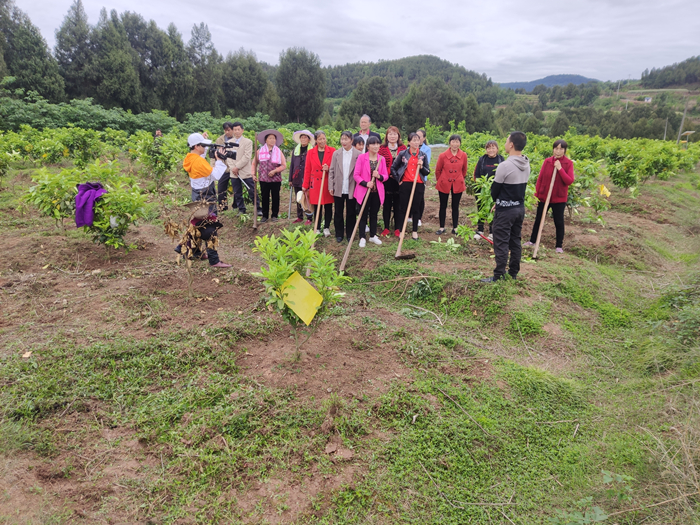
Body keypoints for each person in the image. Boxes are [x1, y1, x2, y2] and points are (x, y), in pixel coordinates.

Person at [176, 132, 232, 268]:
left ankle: (190, 250)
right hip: (206, 196)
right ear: (196, 146)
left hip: (197, 194)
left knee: (197, 224)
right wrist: (219, 160)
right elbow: (216, 175)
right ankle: (214, 260)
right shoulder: (199, 161)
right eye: (204, 145)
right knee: (210, 227)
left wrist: (204, 140)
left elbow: (202, 159)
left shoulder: (190, 158)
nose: (206, 148)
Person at [482, 131, 530, 283]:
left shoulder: (505, 165)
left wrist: (499, 202)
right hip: (519, 208)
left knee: (501, 242)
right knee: (515, 240)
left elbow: (495, 190)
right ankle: (513, 273)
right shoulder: (526, 163)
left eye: (506, 140)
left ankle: (498, 275)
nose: (504, 143)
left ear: (511, 145)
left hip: (506, 210)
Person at [524, 139, 575, 253]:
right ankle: (532, 241)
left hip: (558, 198)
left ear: (564, 150)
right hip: (544, 197)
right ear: (553, 149)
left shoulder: (568, 163)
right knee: (539, 219)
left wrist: (560, 168)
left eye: (561, 149)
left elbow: (569, 181)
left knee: (559, 221)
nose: (558, 151)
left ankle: (558, 246)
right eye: (556, 148)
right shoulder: (547, 161)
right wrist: (536, 195)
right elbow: (540, 179)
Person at [392, 132, 430, 240]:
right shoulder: (403, 154)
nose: (416, 142)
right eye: (413, 140)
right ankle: (401, 230)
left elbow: (427, 172)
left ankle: (414, 231)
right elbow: (393, 168)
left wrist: (421, 166)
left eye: (417, 140)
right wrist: (398, 179)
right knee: (403, 208)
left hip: (418, 184)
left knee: (416, 208)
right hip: (406, 184)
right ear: (409, 142)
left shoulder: (423, 155)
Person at [215, 121, 259, 216]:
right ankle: (241, 209)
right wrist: (233, 168)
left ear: (242, 130)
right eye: (235, 130)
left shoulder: (248, 142)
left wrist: (237, 167)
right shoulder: (229, 143)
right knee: (237, 192)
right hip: (233, 172)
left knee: (251, 189)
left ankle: (258, 208)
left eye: (238, 129)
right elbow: (228, 157)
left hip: (245, 171)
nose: (237, 131)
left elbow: (246, 157)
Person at [354, 136, 388, 247]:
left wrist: (379, 176)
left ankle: (373, 235)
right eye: (373, 144)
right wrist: (366, 183)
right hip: (364, 191)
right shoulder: (362, 158)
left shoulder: (381, 159)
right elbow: (356, 175)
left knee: (374, 214)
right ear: (368, 146)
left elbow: (385, 176)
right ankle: (362, 237)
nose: (376, 146)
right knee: (363, 214)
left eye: (378, 144)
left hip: (376, 192)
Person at [328, 131, 360, 243]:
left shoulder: (358, 154)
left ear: (352, 140)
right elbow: (331, 170)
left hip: (352, 187)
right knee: (338, 211)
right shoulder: (336, 154)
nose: (344, 141)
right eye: (342, 139)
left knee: (351, 212)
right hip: (339, 186)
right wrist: (330, 186)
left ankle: (350, 234)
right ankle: (339, 233)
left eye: (346, 139)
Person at [303, 130, 336, 236]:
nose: (323, 141)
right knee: (317, 206)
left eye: (324, 138)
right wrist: (305, 185)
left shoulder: (332, 151)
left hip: (327, 182)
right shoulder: (310, 152)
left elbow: (336, 168)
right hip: (315, 183)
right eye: (320, 139)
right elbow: (307, 169)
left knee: (328, 206)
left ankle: (326, 227)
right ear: (316, 140)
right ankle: (317, 227)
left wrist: (329, 168)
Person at [434, 134, 468, 235]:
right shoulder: (442, 155)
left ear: (460, 143)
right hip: (444, 183)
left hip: (458, 183)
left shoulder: (464, 155)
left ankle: (455, 227)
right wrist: (441, 180)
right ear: (449, 143)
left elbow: (464, 170)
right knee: (443, 205)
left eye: (457, 141)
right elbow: (438, 170)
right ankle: (441, 227)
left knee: (455, 206)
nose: (455, 144)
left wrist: (459, 178)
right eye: (453, 141)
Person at [252, 129, 286, 223]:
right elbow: (254, 164)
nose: (272, 140)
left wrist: (275, 171)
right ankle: (265, 216)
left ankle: (274, 215)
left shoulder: (278, 152)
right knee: (264, 197)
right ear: (266, 140)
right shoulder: (260, 151)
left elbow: (284, 165)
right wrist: (253, 174)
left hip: (276, 179)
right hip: (263, 179)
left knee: (275, 197)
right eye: (270, 138)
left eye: (274, 138)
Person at [472, 140, 504, 240]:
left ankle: (492, 232)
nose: (491, 150)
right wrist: (480, 184)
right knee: (481, 208)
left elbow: (503, 174)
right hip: (482, 189)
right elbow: (476, 174)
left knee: (493, 210)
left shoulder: (501, 160)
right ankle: (480, 229)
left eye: (493, 148)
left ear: (497, 149)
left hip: (495, 189)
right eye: (489, 148)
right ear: (486, 149)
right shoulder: (482, 159)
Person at [378, 126, 406, 236]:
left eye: (395, 134)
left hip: (399, 180)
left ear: (398, 136)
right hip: (387, 180)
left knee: (398, 204)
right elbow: (380, 164)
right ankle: (386, 227)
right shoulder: (382, 148)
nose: (392, 136)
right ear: (387, 136)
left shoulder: (403, 148)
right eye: (390, 134)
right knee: (387, 204)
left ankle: (398, 228)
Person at [289, 129, 315, 224]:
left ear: (308, 140)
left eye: (305, 137)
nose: (303, 139)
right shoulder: (295, 150)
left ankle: (309, 217)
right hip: (297, 177)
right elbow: (292, 165)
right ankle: (299, 216)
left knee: (308, 198)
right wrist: (290, 179)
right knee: (298, 197)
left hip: (307, 178)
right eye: (302, 137)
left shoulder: (312, 151)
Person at [414, 129, 432, 227]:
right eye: (416, 136)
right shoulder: (409, 147)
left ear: (424, 138)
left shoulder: (426, 150)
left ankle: (419, 218)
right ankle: (410, 216)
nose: (417, 138)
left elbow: (426, 163)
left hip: (421, 176)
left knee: (420, 198)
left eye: (419, 137)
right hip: (411, 177)